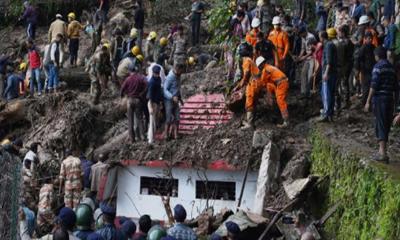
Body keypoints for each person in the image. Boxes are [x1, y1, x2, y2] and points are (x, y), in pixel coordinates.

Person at [364, 47, 398, 162]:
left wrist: (368, 101)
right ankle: (381, 151)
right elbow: (396, 87)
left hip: (380, 99)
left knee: (380, 124)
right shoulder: (391, 68)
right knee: (386, 124)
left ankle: (382, 153)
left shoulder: (378, 67)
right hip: (389, 99)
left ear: (377, 56)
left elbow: (373, 85)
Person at [121, 71, 148, 142]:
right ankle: (143, 137)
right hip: (138, 100)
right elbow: (147, 84)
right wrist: (142, 92)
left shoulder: (128, 79)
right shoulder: (140, 78)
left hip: (130, 101)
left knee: (130, 121)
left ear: (130, 72)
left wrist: (122, 95)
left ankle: (132, 139)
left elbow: (122, 88)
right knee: (140, 119)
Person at [319, 30, 338, 122]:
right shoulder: (329, 45)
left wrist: (326, 73)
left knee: (327, 94)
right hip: (332, 73)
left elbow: (329, 61)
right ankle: (329, 113)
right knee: (330, 93)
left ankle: (327, 113)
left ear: (322, 37)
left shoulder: (328, 46)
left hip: (329, 73)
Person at [334, 25, 354, 110]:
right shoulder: (347, 42)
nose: (338, 33)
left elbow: (343, 57)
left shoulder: (345, 42)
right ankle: (345, 101)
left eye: (339, 32)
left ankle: (346, 102)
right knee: (343, 84)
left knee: (344, 83)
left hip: (344, 66)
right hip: (345, 65)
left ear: (343, 32)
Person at [163, 64, 184, 140]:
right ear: (177, 69)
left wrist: (180, 98)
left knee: (177, 117)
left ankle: (176, 135)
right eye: (181, 71)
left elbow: (177, 88)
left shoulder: (178, 76)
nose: (182, 72)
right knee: (169, 118)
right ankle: (166, 135)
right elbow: (165, 90)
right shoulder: (170, 77)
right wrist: (172, 97)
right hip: (169, 100)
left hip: (176, 99)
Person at [357, 32, 376, 105]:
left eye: (371, 38)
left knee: (371, 86)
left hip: (372, 70)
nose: (370, 39)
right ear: (365, 39)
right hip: (365, 71)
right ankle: (364, 102)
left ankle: (369, 102)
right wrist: (358, 70)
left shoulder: (373, 47)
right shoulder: (363, 48)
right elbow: (358, 60)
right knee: (365, 87)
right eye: (369, 38)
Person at [147, 65, 163, 144]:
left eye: (158, 73)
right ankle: (150, 139)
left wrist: (160, 103)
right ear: (153, 73)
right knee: (152, 121)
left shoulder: (159, 79)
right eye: (156, 73)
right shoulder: (151, 82)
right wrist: (150, 107)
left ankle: (154, 136)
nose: (157, 74)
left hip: (157, 102)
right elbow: (149, 96)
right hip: (152, 102)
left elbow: (159, 91)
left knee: (156, 120)